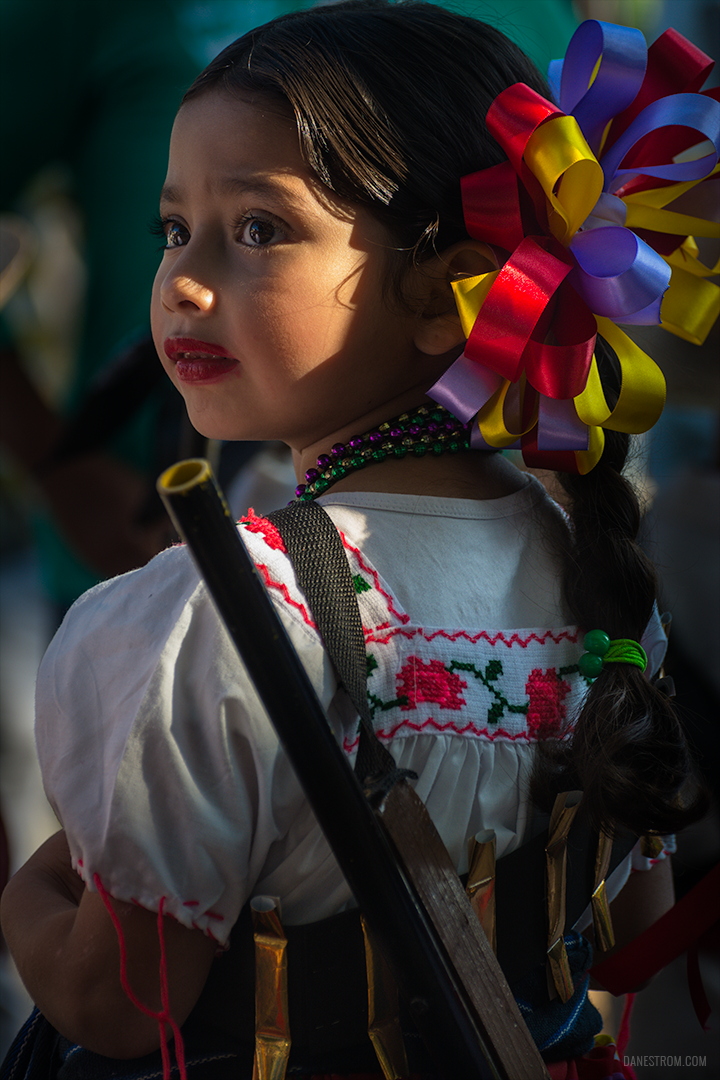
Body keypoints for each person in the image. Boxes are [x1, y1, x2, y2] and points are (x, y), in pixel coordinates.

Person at [1, 1, 716, 1077]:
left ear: (444, 289)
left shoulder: (208, 624)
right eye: (172, 228)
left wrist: (30, 901)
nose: (184, 281)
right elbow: (622, 937)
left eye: (256, 229)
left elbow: (125, 1006)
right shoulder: (602, 584)